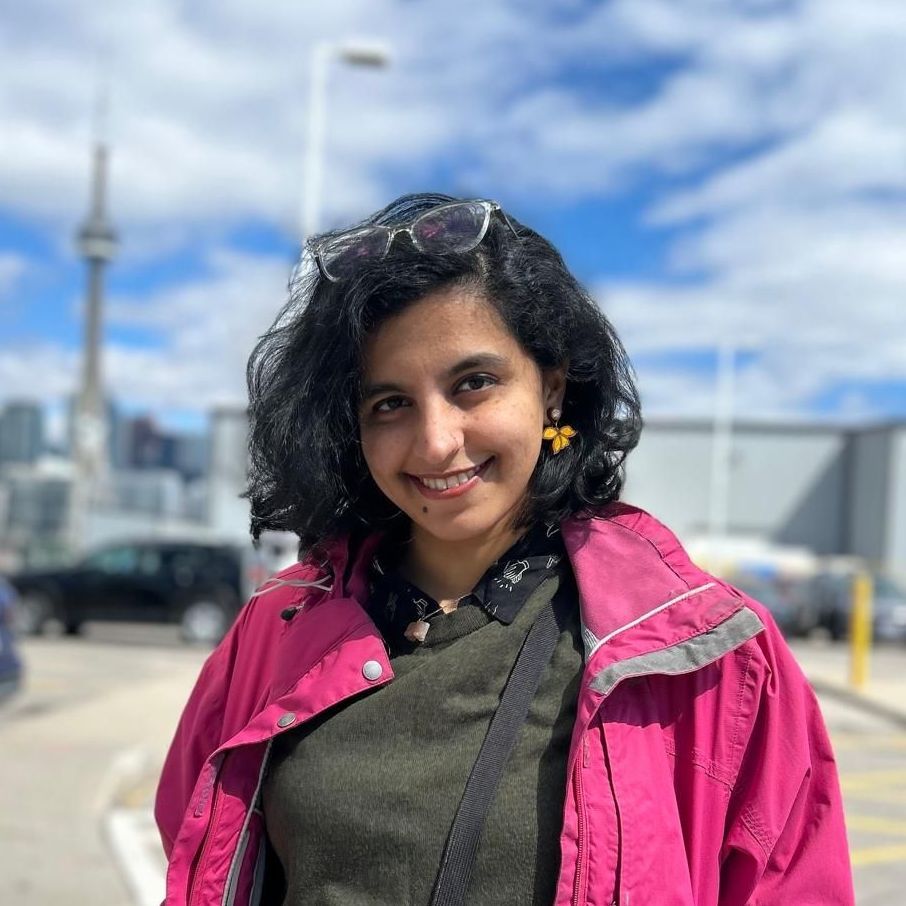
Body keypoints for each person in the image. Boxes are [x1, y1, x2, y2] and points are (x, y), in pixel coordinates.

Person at [155, 193, 854, 905]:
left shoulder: (713, 659)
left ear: (551, 387)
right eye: (389, 403)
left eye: (473, 383)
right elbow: (200, 849)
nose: (435, 441)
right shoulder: (274, 634)